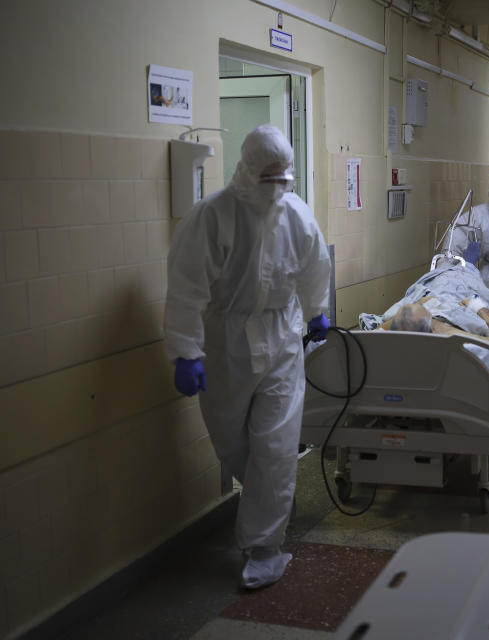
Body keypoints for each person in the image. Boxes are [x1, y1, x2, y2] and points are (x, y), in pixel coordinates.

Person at [163, 124, 332, 590]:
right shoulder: (211, 216)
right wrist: (185, 351)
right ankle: (269, 497)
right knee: (232, 442)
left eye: (284, 177)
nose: (277, 186)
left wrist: (317, 310)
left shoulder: (296, 214)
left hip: (281, 338)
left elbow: (317, 263)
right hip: (226, 343)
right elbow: (185, 288)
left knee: (276, 446)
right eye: (269, 176)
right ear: (249, 168)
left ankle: (263, 546)